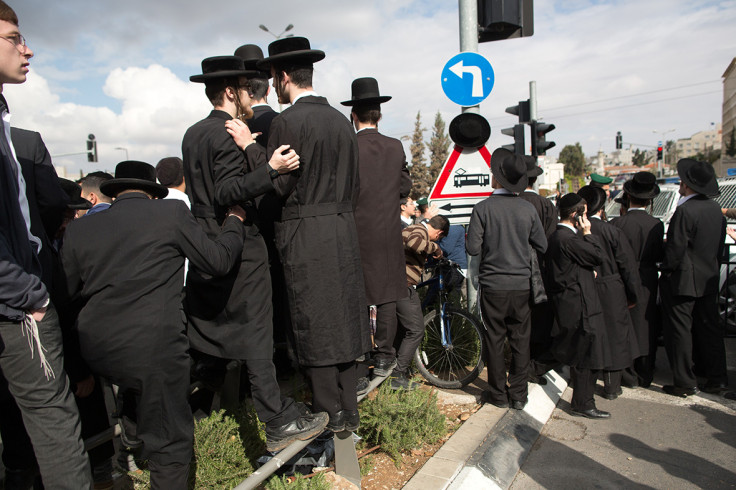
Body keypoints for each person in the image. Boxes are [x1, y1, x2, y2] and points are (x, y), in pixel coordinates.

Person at [61, 160, 248, 488]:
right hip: (153, 348)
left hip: (99, 349)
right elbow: (217, 261)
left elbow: (67, 295)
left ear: (115, 192)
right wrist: (234, 221)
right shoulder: (169, 215)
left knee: (135, 381)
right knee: (171, 443)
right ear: (152, 193)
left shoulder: (79, 228)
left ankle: (132, 433)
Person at [183, 55, 325, 450]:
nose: (251, 95)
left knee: (222, 335)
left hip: (208, 245)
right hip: (240, 247)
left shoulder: (194, 132)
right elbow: (226, 192)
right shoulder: (228, 132)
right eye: (246, 87)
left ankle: (211, 411)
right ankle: (276, 420)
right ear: (230, 91)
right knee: (258, 336)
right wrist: (272, 169)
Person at [0, 2, 93, 487]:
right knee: (55, 427)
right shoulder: (18, 139)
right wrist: (29, 294)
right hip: (19, 308)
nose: (27, 47)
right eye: (14, 37)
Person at [258, 36, 371, 431]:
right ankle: (349, 407)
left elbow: (278, 186)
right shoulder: (342, 121)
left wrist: (252, 157)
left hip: (305, 230)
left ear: (284, 76)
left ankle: (330, 412)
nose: (272, 86)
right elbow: (355, 184)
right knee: (342, 315)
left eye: (273, 78)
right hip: (342, 227)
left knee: (315, 317)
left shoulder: (286, 121)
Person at [341, 77, 412, 379]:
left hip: (355, 231)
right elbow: (405, 186)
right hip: (387, 232)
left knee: (357, 294)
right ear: (379, 115)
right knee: (386, 296)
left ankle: (359, 358)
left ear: (353, 115)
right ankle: (385, 356)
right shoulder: (395, 147)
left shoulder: (348, 147)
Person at [466, 149, 547, 409]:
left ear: (498, 179)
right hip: (522, 285)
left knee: (495, 340)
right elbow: (542, 244)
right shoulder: (527, 209)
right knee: (521, 341)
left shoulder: (482, 208)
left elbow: (472, 249)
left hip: (493, 285)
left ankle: (498, 395)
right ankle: (519, 396)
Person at [660, 159, 728, 397]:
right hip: (708, 277)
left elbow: (675, 250)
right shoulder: (715, 210)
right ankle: (717, 378)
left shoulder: (685, 211)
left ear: (687, 185)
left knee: (680, 331)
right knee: (710, 329)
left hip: (683, 281)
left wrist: (666, 269)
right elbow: (719, 247)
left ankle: (684, 381)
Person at [546, 194, 610, 419]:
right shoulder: (569, 239)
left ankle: (582, 401)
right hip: (579, 305)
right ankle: (583, 403)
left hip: (572, 302)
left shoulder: (558, 236)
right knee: (586, 356)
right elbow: (598, 255)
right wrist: (588, 233)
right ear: (576, 215)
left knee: (576, 351)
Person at [577, 185, 640, 399]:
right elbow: (627, 266)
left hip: (585, 288)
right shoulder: (612, 231)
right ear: (602, 207)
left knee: (591, 337)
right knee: (615, 336)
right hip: (612, 288)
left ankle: (587, 384)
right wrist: (633, 295)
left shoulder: (576, 231)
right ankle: (612, 387)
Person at [611, 172, 664, 387]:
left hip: (623, 277)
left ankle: (626, 370)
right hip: (647, 278)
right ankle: (645, 370)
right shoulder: (656, 224)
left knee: (625, 322)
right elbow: (660, 254)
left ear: (628, 197)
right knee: (646, 323)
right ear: (649, 200)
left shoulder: (618, 223)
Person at [392, 215, 449, 389]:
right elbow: (414, 244)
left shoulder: (413, 229)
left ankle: (395, 370)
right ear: (439, 233)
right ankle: (397, 375)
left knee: (404, 329)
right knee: (416, 330)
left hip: (397, 284)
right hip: (402, 285)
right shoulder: (419, 230)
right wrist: (436, 249)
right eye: (439, 238)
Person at [518, 156, 558, 384]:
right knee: (540, 320)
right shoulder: (545, 205)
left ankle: (520, 365)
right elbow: (551, 241)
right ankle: (534, 365)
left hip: (514, 272)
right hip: (540, 271)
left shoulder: (513, 203)